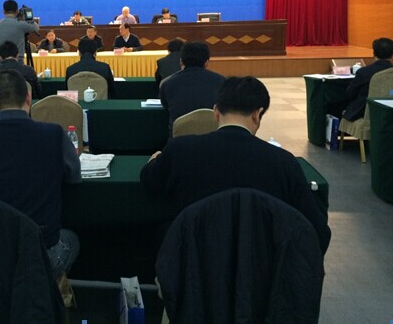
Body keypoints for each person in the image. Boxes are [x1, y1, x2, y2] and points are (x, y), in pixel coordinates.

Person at [141, 76, 331, 255]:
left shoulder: (180, 149)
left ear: (216, 112)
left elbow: (150, 182)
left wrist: (155, 160)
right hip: (262, 270)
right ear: (257, 114)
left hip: (195, 266)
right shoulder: (284, 162)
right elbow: (317, 231)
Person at [0, 69, 82, 280]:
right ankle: (45, 292)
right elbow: (74, 178)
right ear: (28, 98)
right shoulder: (55, 135)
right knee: (71, 239)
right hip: (41, 252)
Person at [160, 41, 225, 129]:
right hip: (214, 135)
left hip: (180, 135)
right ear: (206, 62)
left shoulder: (167, 83)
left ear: (181, 62)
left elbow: (166, 107)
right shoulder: (222, 82)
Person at [343, 37, 393, 121]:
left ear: (374, 53)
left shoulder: (364, 72)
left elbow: (350, 93)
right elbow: (390, 92)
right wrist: (389, 93)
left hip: (365, 114)